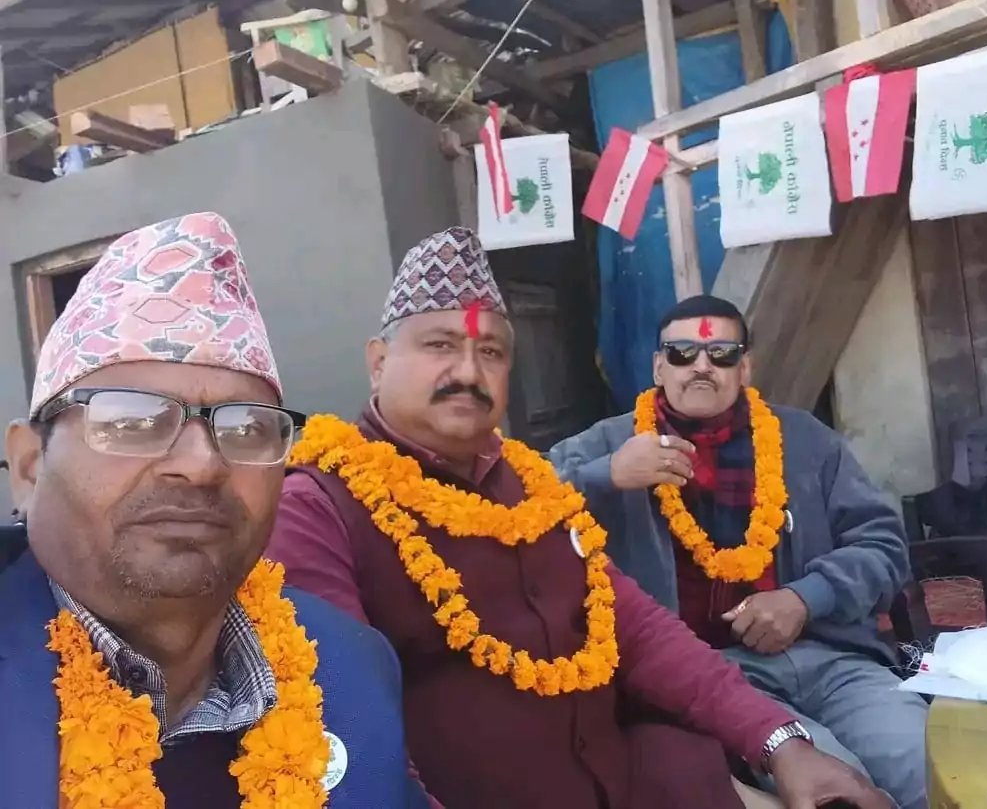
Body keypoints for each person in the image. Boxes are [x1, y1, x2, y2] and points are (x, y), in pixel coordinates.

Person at [268, 226, 891, 809]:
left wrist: (778, 742)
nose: (468, 372)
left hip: (653, 766)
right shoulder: (319, 506)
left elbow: (637, 629)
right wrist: (609, 473)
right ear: (379, 361)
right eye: (440, 345)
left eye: (491, 351)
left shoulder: (532, 486)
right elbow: (342, 730)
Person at [0, 212, 428, 808]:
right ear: (29, 466)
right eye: (132, 421)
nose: (202, 464)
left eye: (248, 429)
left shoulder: (353, 668)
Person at [549, 294, 929, 809]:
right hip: (711, 678)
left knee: (926, 764)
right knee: (841, 788)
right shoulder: (609, 442)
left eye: (721, 354)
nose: (701, 366)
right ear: (659, 367)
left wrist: (805, 598)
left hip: (832, 658)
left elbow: (883, 543)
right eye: (682, 353)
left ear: (744, 367)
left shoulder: (806, 440)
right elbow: (517, 501)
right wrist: (606, 474)